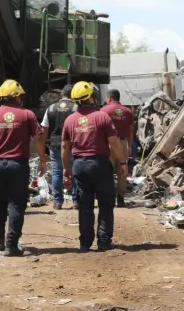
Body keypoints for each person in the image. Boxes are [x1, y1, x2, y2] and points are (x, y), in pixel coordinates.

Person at [0, 79, 46, 256]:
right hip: (18, 164)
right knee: (16, 204)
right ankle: (12, 245)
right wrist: (42, 159)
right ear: (17, 97)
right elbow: (38, 138)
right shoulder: (27, 115)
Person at [61, 81, 127, 252]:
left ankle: (85, 243)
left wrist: (66, 169)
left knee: (85, 206)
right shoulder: (101, 117)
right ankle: (104, 241)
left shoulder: (70, 120)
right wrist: (122, 162)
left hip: (79, 165)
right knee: (105, 204)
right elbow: (113, 142)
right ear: (91, 97)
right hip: (99, 164)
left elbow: (64, 147)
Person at [38, 85, 78, 210]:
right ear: (73, 95)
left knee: (56, 172)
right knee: (74, 172)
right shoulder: (76, 107)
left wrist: (43, 144)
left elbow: (44, 128)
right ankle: (76, 201)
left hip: (55, 145)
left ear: (62, 95)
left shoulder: (50, 108)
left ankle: (57, 202)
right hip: (71, 145)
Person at [101, 89, 133, 208]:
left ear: (109, 98)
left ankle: (107, 199)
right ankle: (120, 199)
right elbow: (131, 131)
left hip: (107, 143)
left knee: (106, 172)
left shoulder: (104, 110)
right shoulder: (127, 111)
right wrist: (129, 145)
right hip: (123, 143)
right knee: (122, 172)